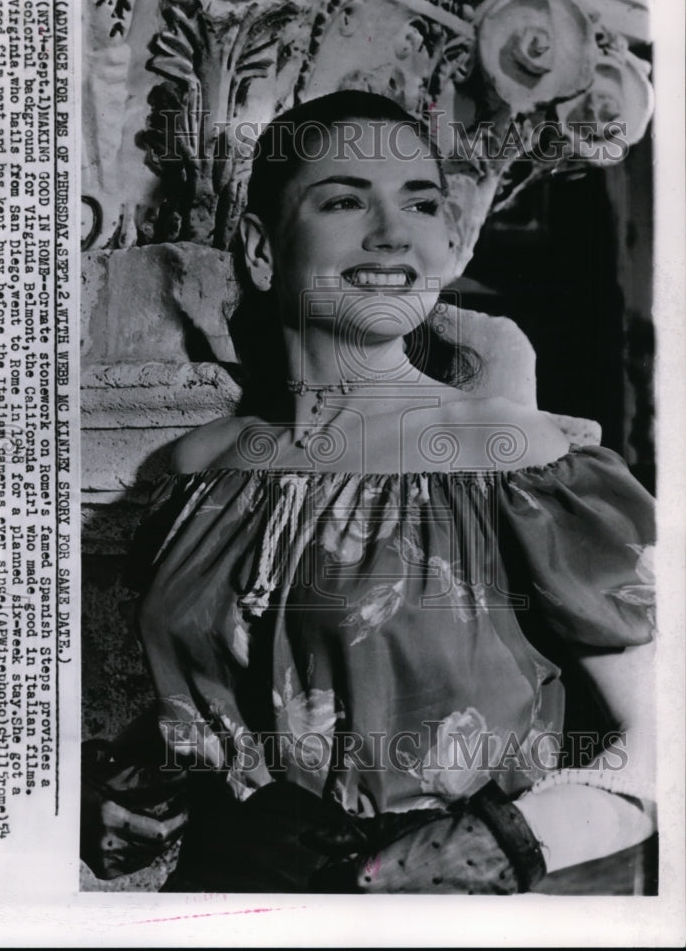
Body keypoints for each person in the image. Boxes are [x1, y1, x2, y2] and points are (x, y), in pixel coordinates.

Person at [81, 91, 656, 893]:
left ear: (450, 238)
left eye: (421, 201)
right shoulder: (199, 467)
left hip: (431, 907)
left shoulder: (519, 458)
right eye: (347, 199)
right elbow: (230, 690)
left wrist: (512, 845)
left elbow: (665, 735)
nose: (393, 233)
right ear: (259, 248)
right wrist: (115, 794)